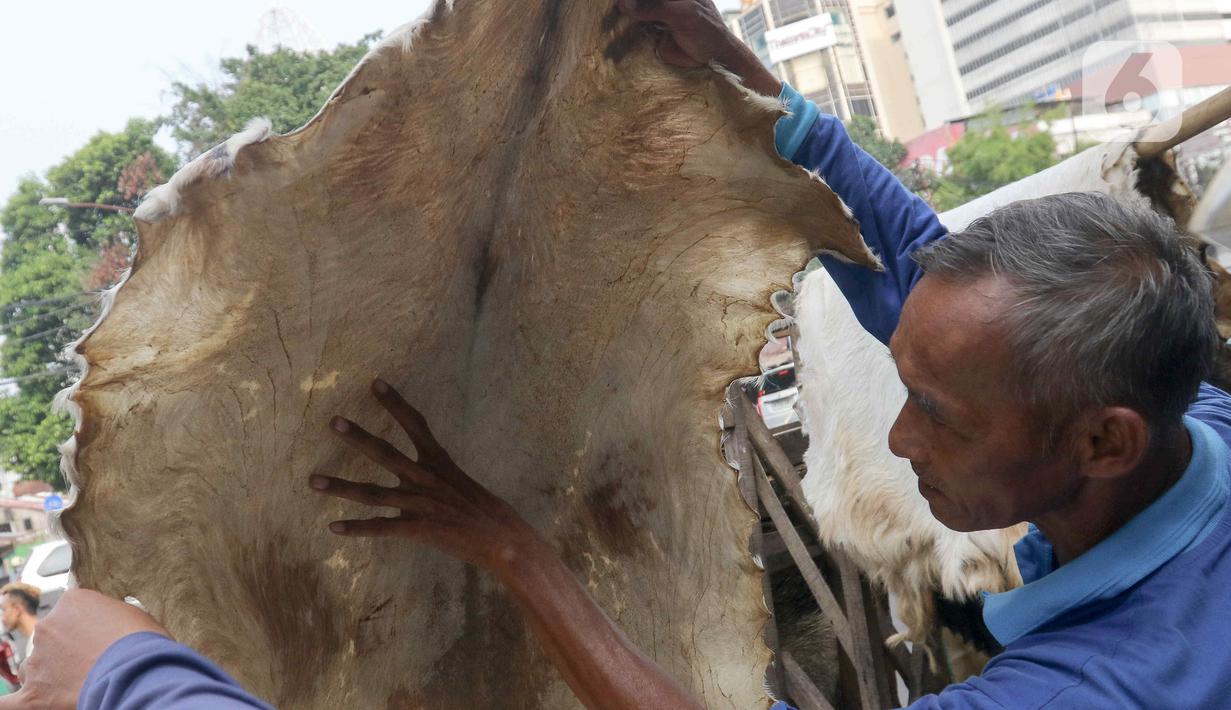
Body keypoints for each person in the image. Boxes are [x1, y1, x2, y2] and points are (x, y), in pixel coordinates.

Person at [8, 0, 1231, 706]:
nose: (899, 435)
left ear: (1101, 439)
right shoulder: (1193, 432)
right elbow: (924, 269)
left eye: (939, 415)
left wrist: (512, 547)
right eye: (904, 388)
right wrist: (767, 97)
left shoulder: (1105, 685)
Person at [1, 582, 41, 678]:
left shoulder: (39, 643)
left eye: (4, 610)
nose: (2, 617)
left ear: (17, 610)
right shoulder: (35, 640)